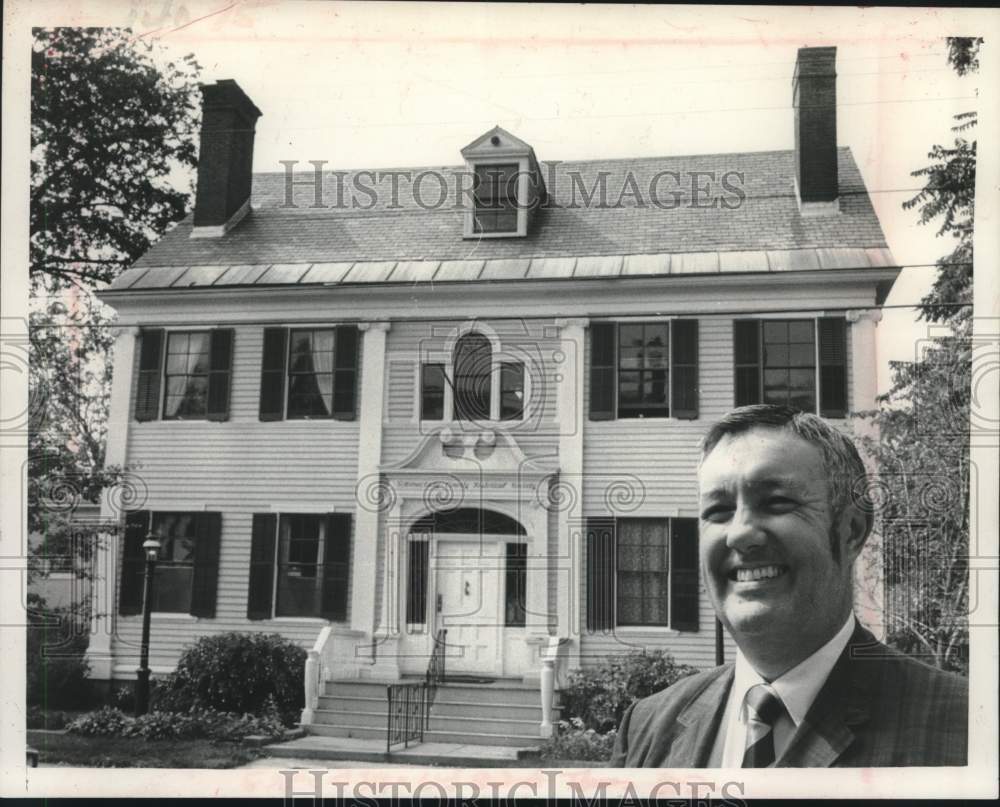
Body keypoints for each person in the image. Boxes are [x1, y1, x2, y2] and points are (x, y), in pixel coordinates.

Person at [610, 404, 968, 768]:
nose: (740, 534)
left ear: (852, 532)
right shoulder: (647, 727)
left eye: (777, 502)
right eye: (718, 511)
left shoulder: (967, 729)